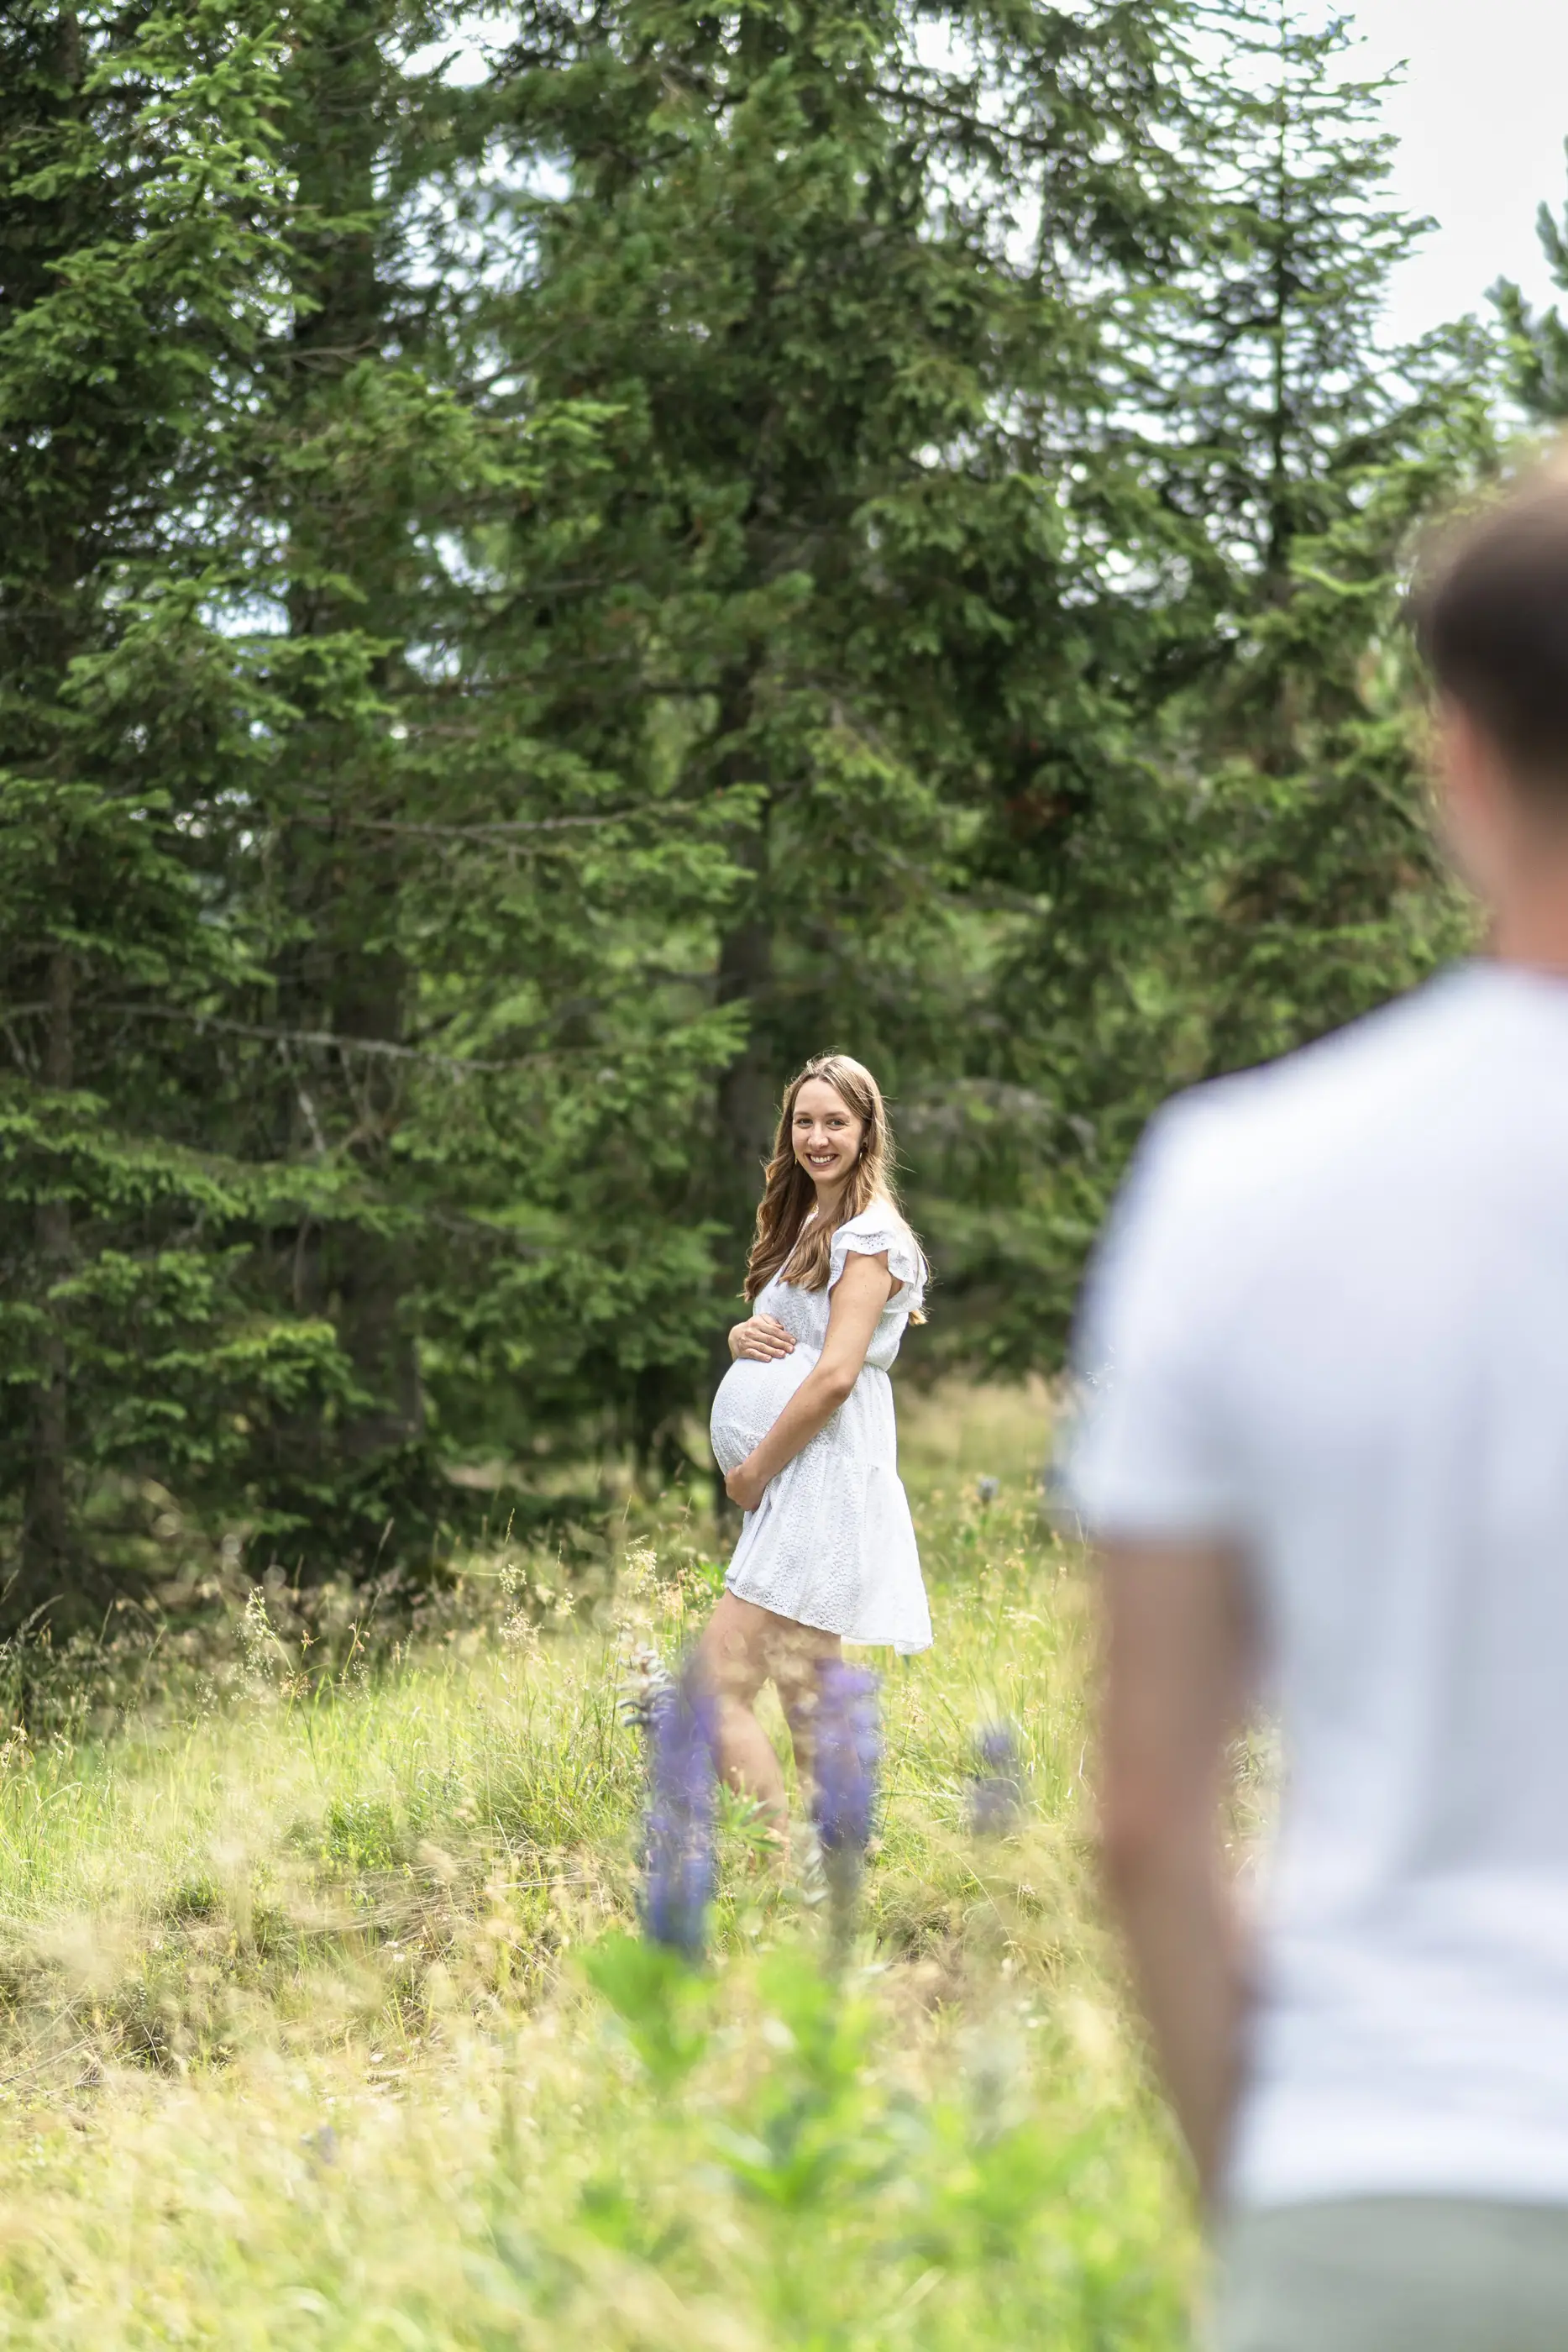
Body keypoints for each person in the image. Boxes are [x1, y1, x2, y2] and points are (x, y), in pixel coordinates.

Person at [1071, 449, 1568, 2351]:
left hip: (1382, 2188)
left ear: (1453, 761)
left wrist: (1264, 2198)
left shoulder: (1235, 1182)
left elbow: (1144, 1814)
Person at [700, 1053, 930, 1836]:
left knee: (712, 1693)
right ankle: (837, 1872)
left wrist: (752, 1473)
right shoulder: (810, 1221)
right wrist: (740, 1337)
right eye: (804, 1121)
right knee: (809, 1695)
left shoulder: (869, 1237)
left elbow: (834, 1376)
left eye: (836, 1122)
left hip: (813, 1477)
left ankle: (772, 1868)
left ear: (867, 1132)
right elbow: (795, 1339)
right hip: (801, 1477)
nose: (817, 1138)